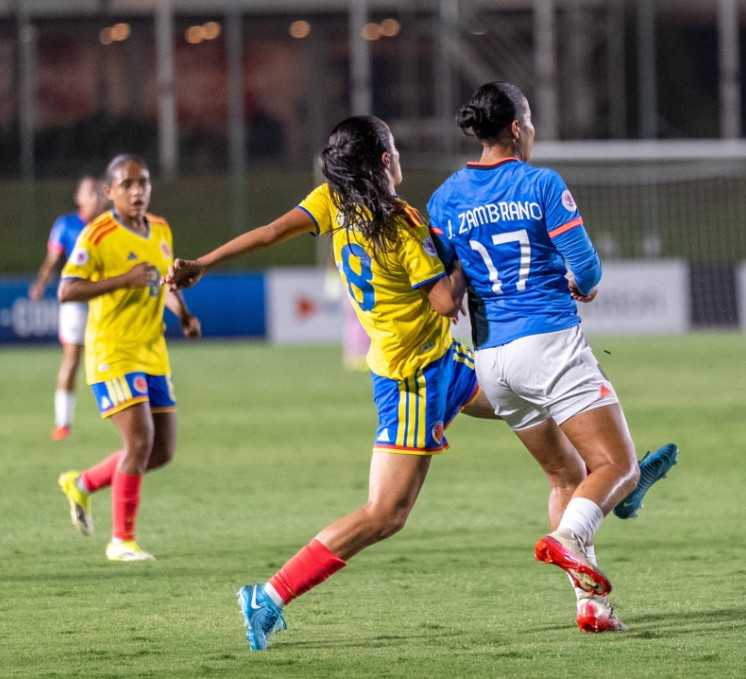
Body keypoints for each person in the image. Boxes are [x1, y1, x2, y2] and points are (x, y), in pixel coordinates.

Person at [163, 115, 498, 650]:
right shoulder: (401, 222)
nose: (398, 154)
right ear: (385, 159)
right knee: (385, 514)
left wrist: (203, 263)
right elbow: (442, 301)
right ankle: (268, 595)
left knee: (527, 402)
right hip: (413, 379)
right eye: (394, 147)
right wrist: (463, 257)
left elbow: (270, 233)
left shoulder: (332, 200)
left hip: (438, 359)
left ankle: (608, 478)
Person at [427, 82, 678, 632]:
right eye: (532, 122)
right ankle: (570, 535)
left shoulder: (445, 198)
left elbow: (445, 288)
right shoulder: (540, 183)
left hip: (493, 361)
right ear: (517, 128)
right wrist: (579, 285)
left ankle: (590, 605)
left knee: (566, 477)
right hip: (548, 345)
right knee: (618, 466)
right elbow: (586, 268)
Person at [56, 154, 201, 562]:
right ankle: (121, 541)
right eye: (127, 185)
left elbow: (163, 282)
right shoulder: (97, 235)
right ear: (109, 192)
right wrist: (124, 279)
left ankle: (82, 483)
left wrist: (184, 315)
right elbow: (67, 290)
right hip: (113, 352)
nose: (137, 191)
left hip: (152, 352)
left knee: (161, 451)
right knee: (139, 441)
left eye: (144, 183)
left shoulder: (160, 229)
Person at [29, 174, 106, 441]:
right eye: (90, 191)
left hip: (105, 301)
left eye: (99, 191)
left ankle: (121, 413)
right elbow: (52, 260)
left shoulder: (110, 225)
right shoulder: (66, 224)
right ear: (78, 197)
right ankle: (63, 423)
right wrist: (40, 284)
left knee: (110, 357)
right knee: (72, 359)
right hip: (76, 301)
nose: (96, 197)